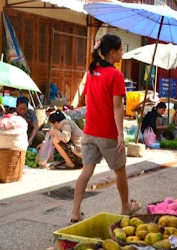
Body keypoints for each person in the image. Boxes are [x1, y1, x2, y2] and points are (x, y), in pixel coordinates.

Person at [72, 34, 140, 223]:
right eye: (120, 50)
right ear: (112, 52)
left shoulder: (92, 70)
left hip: (89, 132)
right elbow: (117, 107)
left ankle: (75, 212)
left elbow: (87, 98)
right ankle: (126, 207)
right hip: (107, 133)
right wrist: (120, 134)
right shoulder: (115, 75)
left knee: (86, 171)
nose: (122, 53)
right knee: (120, 171)